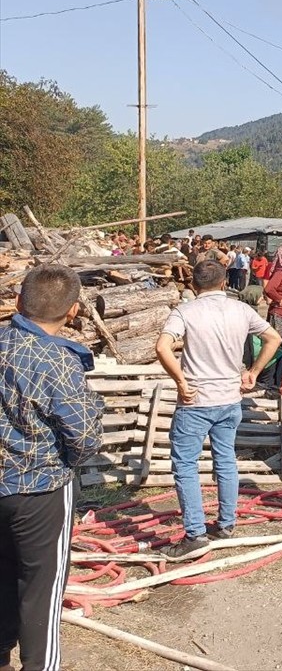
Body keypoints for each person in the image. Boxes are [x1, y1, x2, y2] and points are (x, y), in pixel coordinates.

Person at [1, 265, 105, 671]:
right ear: (74, 310)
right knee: (41, 588)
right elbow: (84, 438)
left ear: (18, 302)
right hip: (40, 490)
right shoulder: (59, 362)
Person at [154, 260, 282, 559]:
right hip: (229, 398)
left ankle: (195, 533)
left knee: (185, 465)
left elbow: (162, 347)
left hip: (196, 401)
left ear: (193, 285)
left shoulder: (185, 311)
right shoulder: (240, 310)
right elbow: (273, 338)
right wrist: (253, 372)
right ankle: (226, 523)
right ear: (225, 282)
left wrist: (182, 382)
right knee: (225, 459)